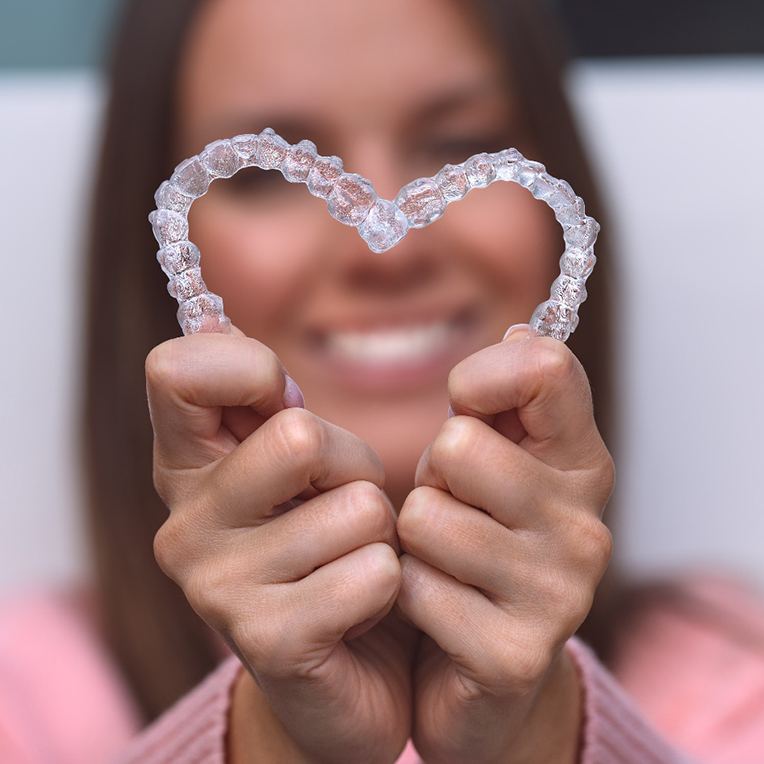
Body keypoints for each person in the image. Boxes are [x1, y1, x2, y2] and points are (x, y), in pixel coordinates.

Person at [2, 0, 763, 762]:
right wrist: (272, 737)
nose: (387, 256)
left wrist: (538, 731)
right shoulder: (22, 700)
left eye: (460, 143)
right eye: (267, 176)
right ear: (158, 258)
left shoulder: (736, 678)